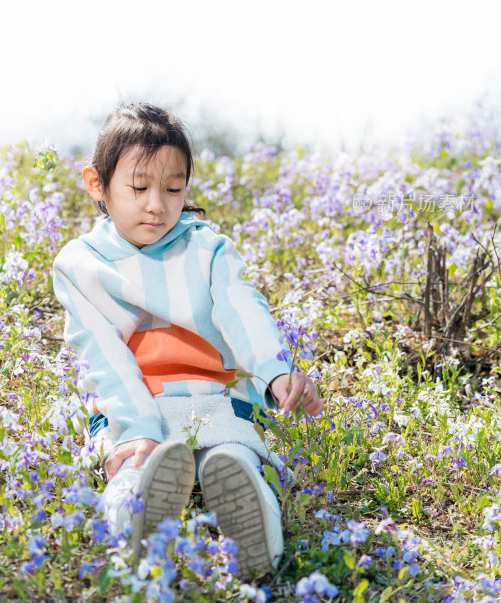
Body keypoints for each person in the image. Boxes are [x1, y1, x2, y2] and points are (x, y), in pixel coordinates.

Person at [53, 102, 324, 575]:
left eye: (173, 188)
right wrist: (138, 430)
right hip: (131, 402)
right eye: (139, 188)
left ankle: (257, 532)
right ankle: (133, 528)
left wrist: (275, 371)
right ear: (97, 184)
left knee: (235, 458)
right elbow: (104, 356)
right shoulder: (80, 265)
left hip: (213, 398)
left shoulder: (207, 248)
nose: (157, 204)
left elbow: (243, 310)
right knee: (131, 467)